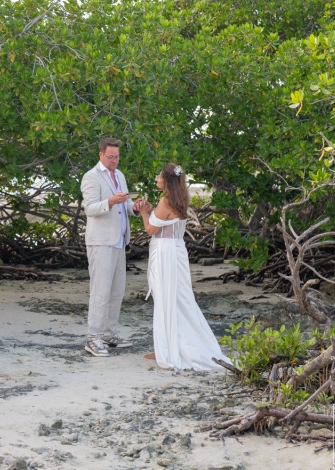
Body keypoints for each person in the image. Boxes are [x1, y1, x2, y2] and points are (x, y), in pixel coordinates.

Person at [136, 164, 231, 371]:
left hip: (165, 252)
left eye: (159, 176)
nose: (156, 179)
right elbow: (165, 221)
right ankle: (168, 346)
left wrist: (144, 212)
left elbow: (151, 229)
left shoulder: (166, 200)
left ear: (167, 181)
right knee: (179, 298)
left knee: (165, 298)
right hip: (177, 249)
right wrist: (152, 211)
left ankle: (168, 350)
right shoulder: (180, 199)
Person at [80, 137, 142, 357]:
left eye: (117, 156)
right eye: (111, 156)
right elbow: (89, 208)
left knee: (117, 290)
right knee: (100, 291)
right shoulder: (91, 176)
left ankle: (109, 333)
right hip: (100, 241)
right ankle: (93, 337)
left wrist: (134, 208)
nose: (115, 160)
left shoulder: (120, 175)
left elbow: (124, 206)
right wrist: (111, 202)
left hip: (119, 240)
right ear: (101, 155)